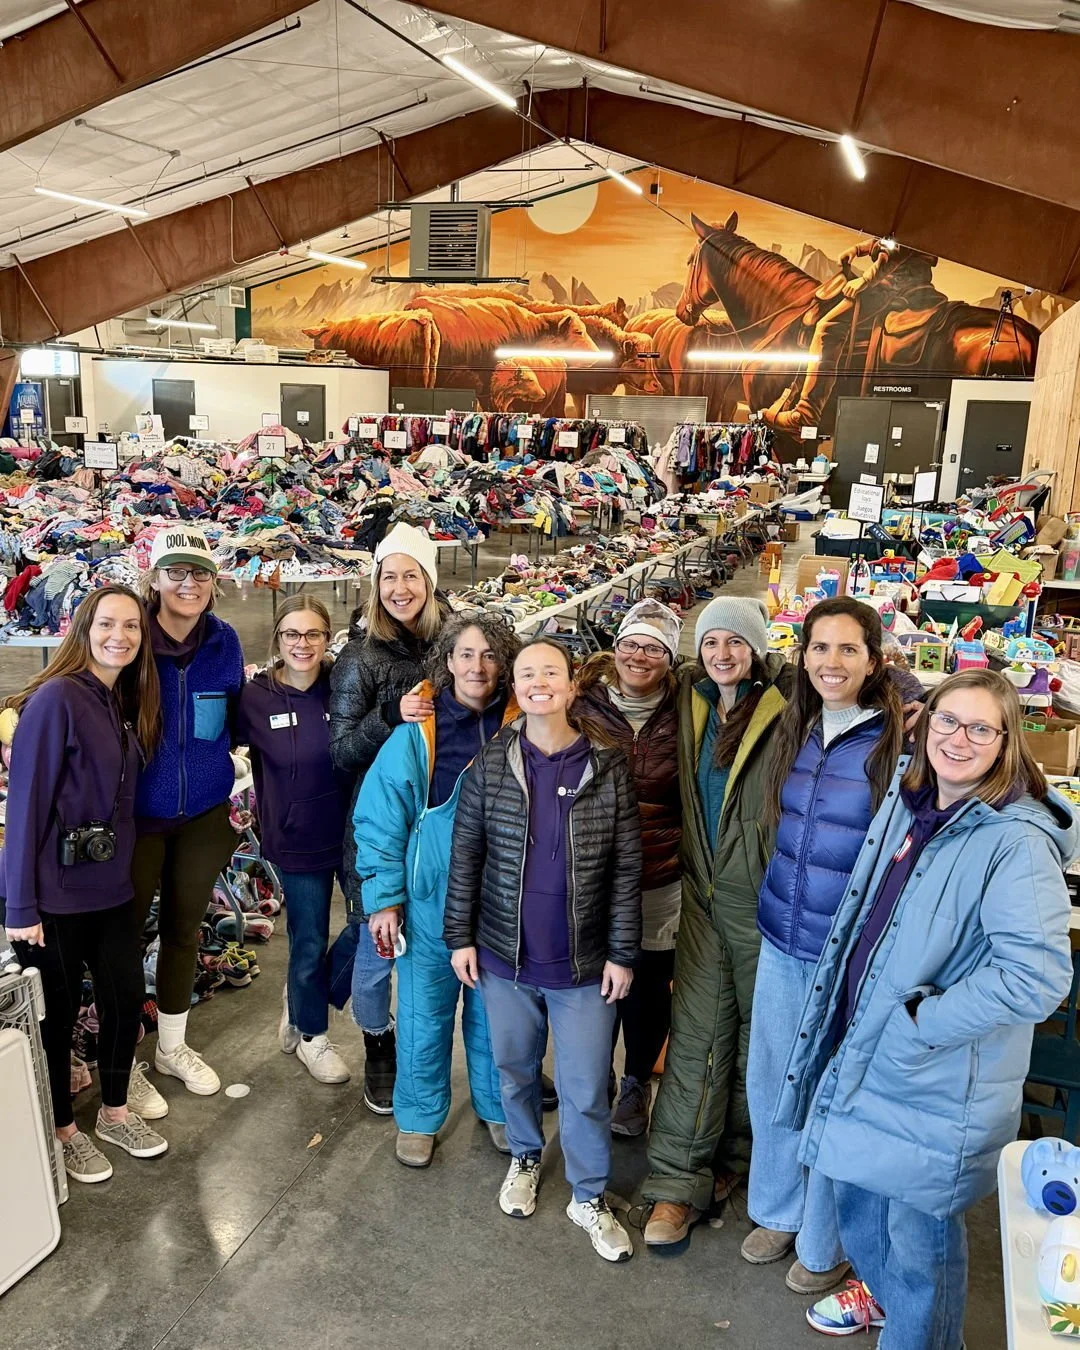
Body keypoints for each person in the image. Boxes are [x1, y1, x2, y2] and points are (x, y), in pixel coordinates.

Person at [777, 671, 1076, 1347]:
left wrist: (922, 1023)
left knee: (918, 1248)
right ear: (922, 723)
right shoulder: (912, 800)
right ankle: (899, 1310)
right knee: (860, 1213)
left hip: (931, 1079)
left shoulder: (1014, 842)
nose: (958, 739)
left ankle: (925, 1334)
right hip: (867, 1050)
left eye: (980, 728)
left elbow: (1036, 977)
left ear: (1007, 744)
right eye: (947, 721)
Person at [444, 637, 642, 1263]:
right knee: (515, 1069)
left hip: (583, 966)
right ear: (515, 686)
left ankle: (588, 1194)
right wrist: (461, 937)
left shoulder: (608, 769)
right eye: (526, 673)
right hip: (505, 957)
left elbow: (626, 869)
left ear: (572, 684)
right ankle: (526, 1157)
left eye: (549, 672)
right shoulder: (488, 766)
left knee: (585, 1088)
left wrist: (621, 951)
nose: (538, 683)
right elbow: (466, 856)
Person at [745, 597, 905, 1296]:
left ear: (874, 661)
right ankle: (777, 1210)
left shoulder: (898, 741)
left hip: (847, 957)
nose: (830, 662)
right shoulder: (799, 725)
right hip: (783, 936)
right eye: (819, 648)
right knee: (774, 1080)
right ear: (801, 655)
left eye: (847, 649)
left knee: (830, 1096)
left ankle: (823, 1237)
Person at [1, 586, 168, 1182]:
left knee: (126, 1001)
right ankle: (63, 1128)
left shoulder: (118, 700)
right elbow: (25, 808)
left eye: (131, 625)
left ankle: (115, 1113)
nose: (119, 635)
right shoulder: (57, 700)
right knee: (57, 1015)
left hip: (111, 891)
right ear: (83, 629)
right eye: (106, 624)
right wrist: (20, 905)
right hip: (53, 895)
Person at [642, 597, 794, 1249]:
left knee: (763, 1043)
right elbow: (614, 678)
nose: (723, 654)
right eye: (711, 643)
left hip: (768, 902)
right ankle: (677, 1183)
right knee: (699, 1033)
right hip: (703, 894)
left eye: (736, 642)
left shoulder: (791, 707)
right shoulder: (691, 699)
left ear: (757, 648)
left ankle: (736, 1162)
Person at [355, 612, 520, 1167]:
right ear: (448, 661)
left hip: (502, 904)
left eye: (490, 655)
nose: (478, 666)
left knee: (495, 1018)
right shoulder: (415, 735)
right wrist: (384, 898)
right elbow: (381, 820)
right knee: (424, 1018)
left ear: (505, 664)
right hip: (429, 905)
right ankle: (419, 1117)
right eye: (466, 654)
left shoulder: (524, 727)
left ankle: (498, 1110)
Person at [329, 522, 450, 1114]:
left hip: (445, 817)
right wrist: (389, 716)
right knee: (378, 942)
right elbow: (341, 750)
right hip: (379, 824)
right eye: (388, 577)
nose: (399, 588)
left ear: (429, 580)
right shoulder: (359, 658)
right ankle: (378, 1041)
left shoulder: (451, 644)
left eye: (410, 576)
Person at [133, 526, 244, 1099]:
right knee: (121, 941)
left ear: (214, 583)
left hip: (203, 813)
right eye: (174, 571)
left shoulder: (225, 643)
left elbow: (239, 718)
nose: (188, 583)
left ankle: (172, 1048)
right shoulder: (128, 638)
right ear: (154, 580)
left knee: (183, 930)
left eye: (199, 572)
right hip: (135, 817)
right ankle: (120, 1063)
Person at [574, 599, 683, 1137]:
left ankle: (637, 1080)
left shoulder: (690, 706)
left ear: (672, 657)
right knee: (596, 985)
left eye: (654, 647)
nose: (639, 655)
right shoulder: (581, 703)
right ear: (614, 649)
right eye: (630, 644)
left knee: (648, 987)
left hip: (661, 876)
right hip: (594, 876)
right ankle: (597, 1079)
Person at [236, 596, 353, 1085]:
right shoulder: (255, 698)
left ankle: (306, 998)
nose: (302, 644)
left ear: (328, 639)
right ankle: (312, 1037)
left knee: (375, 925)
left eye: (313, 634)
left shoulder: (345, 686)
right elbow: (216, 748)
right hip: (296, 836)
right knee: (307, 940)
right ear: (277, 640)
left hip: (354, 832)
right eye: (291, 635)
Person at [763, 238, 942, 432]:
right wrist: (859, 249)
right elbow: (888, 240)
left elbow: (897, 250)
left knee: (827, 326)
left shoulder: (911, 225)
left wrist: (865, 280)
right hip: (899, 281)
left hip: (892, 285)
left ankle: (807, 413)